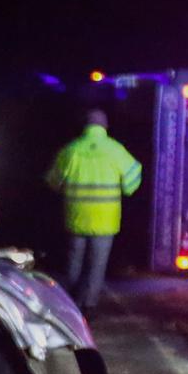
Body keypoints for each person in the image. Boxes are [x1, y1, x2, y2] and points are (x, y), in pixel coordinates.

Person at [47, 110, 142, 311]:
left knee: (73, 261)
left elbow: (53, 181)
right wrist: (127, 188)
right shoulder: (116, 150)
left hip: (76, 216)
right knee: (96, 264)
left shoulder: (71, 150)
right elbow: (134, 176)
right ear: (104, 127)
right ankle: (89, 304)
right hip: (105, 218)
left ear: (85, 127)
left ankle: (71, 303)